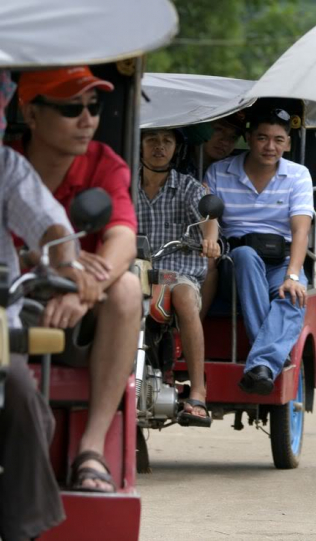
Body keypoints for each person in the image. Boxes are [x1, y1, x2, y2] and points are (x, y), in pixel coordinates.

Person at [14, 66, 142, 492]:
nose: (87, 120)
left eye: (93, 106)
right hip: (12, 304)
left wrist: (86, 291)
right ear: (30, 114)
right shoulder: (8, 169)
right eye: (72, 108)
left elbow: (123, 238)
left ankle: (92, 448)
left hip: (76, 317)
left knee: (126, 286)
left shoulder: (105, 165)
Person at [0, 69, 98, 541]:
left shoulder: (5, 168)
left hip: (2, 328)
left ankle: (22, 531)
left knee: (20, 394)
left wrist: (68, 267)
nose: (85, 118)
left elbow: (51, 226)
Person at [204, 107, 313, 395]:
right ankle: (267, 356)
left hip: (281, 262)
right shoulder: (219, 171)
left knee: (295, 292)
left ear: (288, 144)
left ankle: (260, 365)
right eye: (262, 138)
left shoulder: (298, 175)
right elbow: (211, 220)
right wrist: (211, 245)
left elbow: (301, 230)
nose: (270, 147)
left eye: (279, 140)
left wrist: (292, 275)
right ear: (249, 139)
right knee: (245, 256)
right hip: (236, 265)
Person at [137, 128, 220, 425]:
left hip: (178, 273)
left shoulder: (187, 187)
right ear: (140, 146)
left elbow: (209, 216)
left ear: (176, 149)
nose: (159, 147)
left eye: (167, 141)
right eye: (152, 140)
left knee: (185, 296)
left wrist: (210, 240)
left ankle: (198, 391)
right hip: (135, 272)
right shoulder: (124, 186)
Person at [179, 113, 243, 320]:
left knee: (209, 259)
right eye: (218, 130)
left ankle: (196, 323)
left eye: (232, 137)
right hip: (173, 226)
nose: (225, 141)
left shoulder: (232, 172)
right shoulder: (177, 162)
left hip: (208, 235)